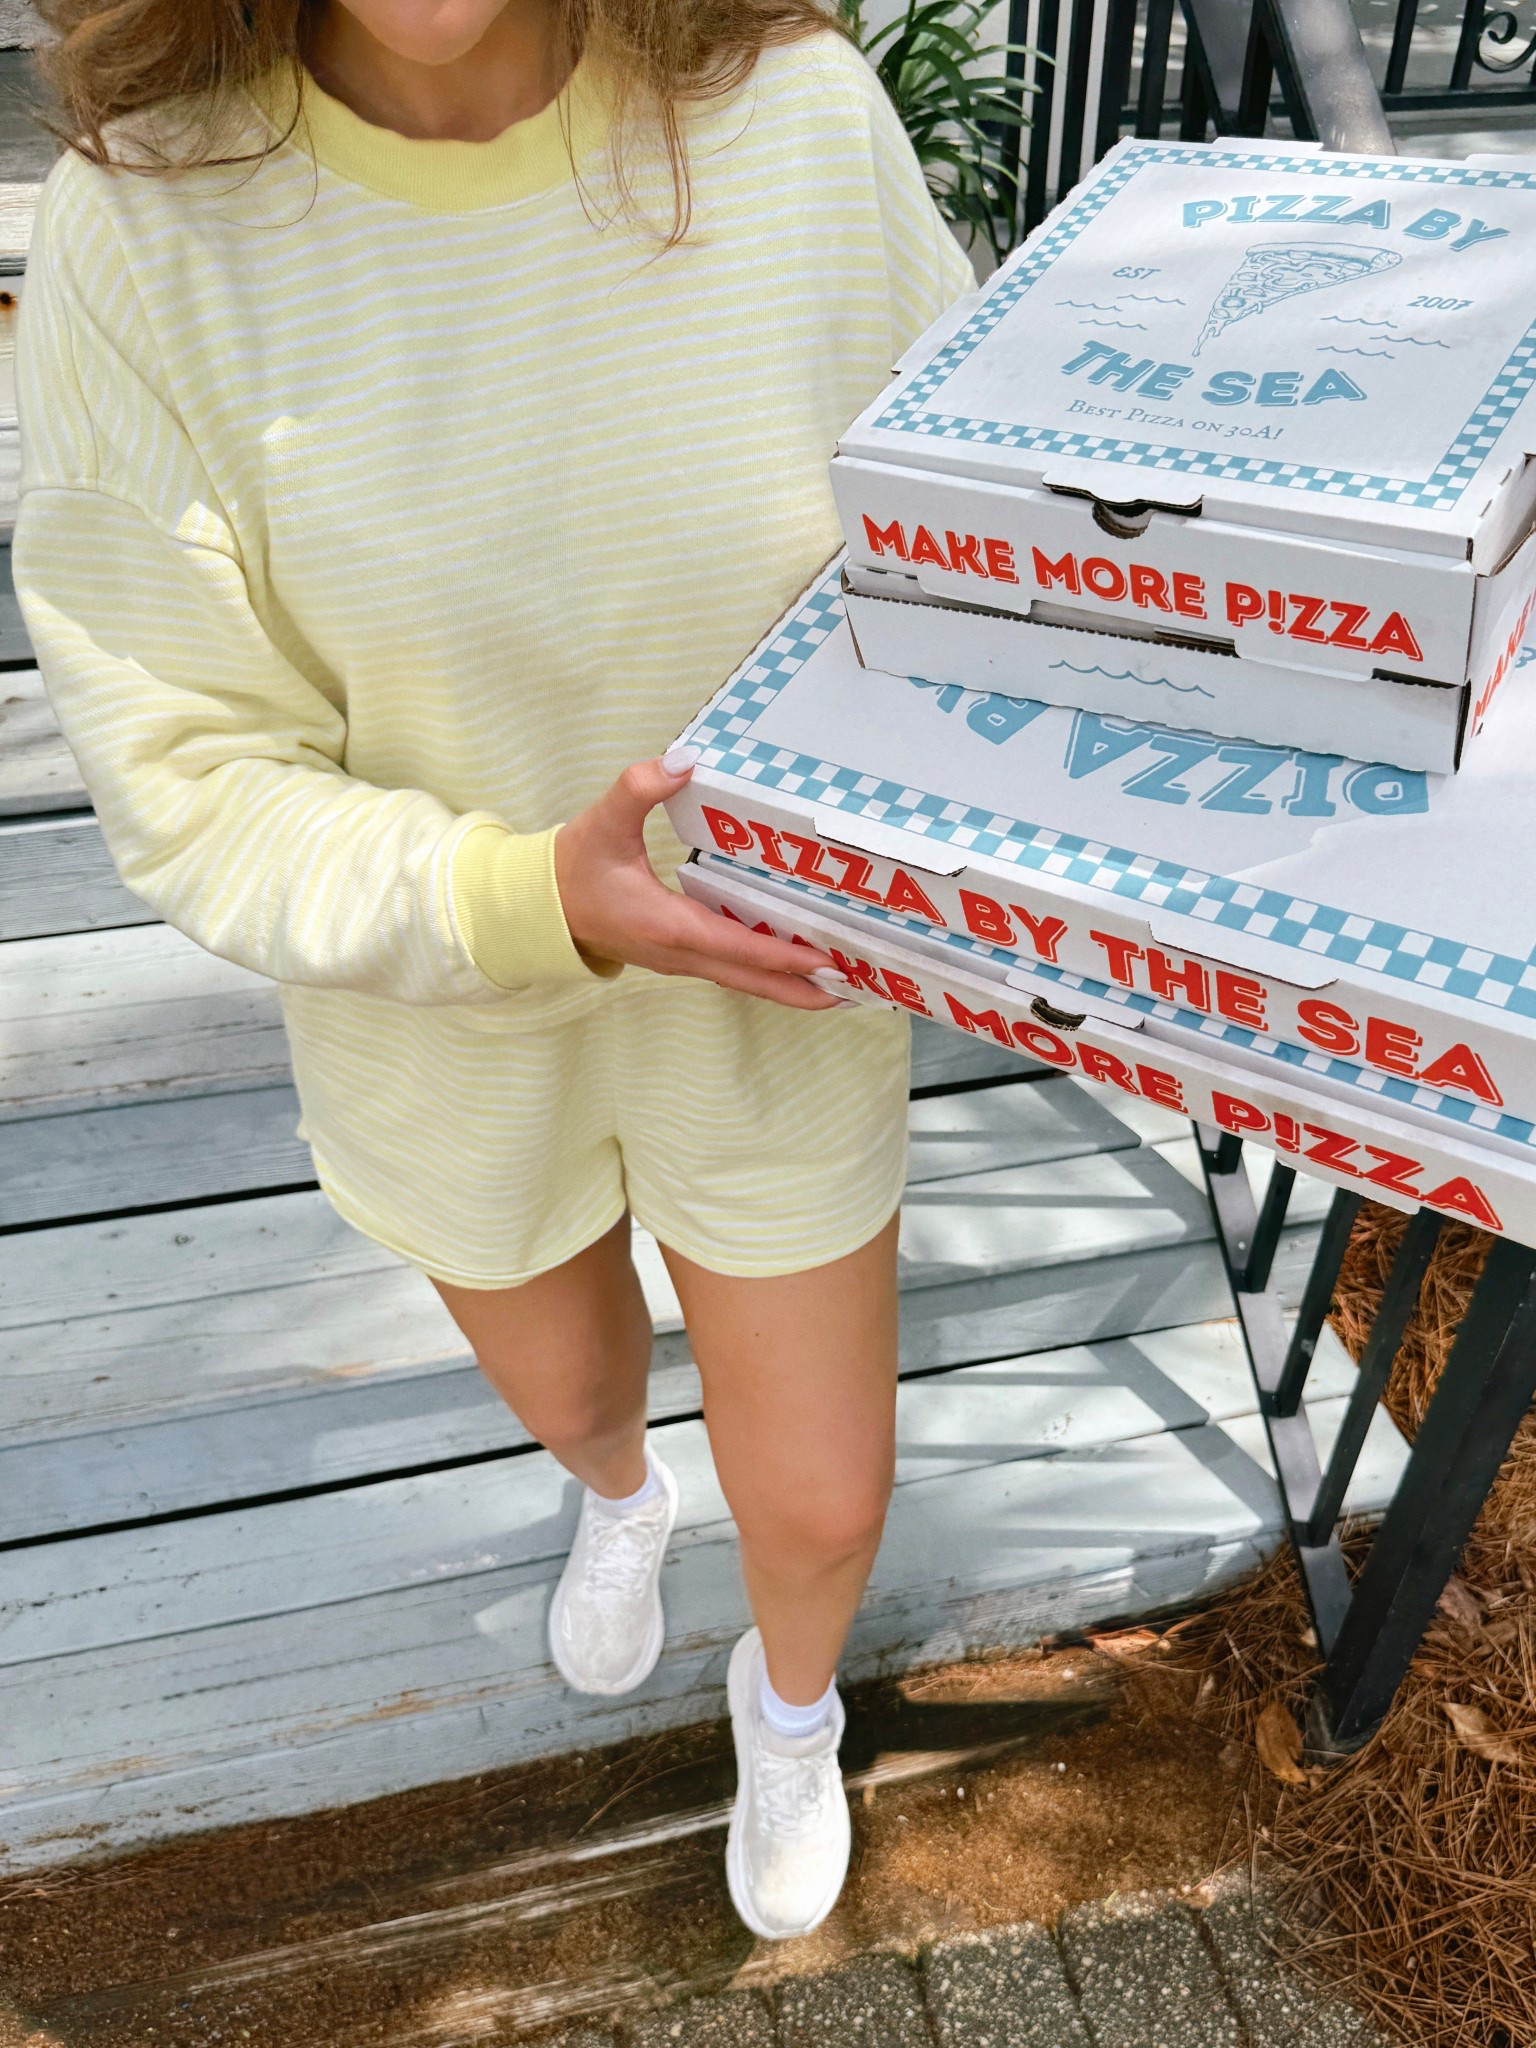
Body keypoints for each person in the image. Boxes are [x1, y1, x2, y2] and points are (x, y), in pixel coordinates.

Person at [17, 0, 972, 1939]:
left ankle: (786, 1704)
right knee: (572, 1383)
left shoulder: (796, 116)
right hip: (434, 1000)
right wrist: (542, 896)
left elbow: (956, 526)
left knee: (821, 1501)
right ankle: (618, 1494)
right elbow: (190, 778)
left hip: (773, 980)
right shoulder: (148, 224)